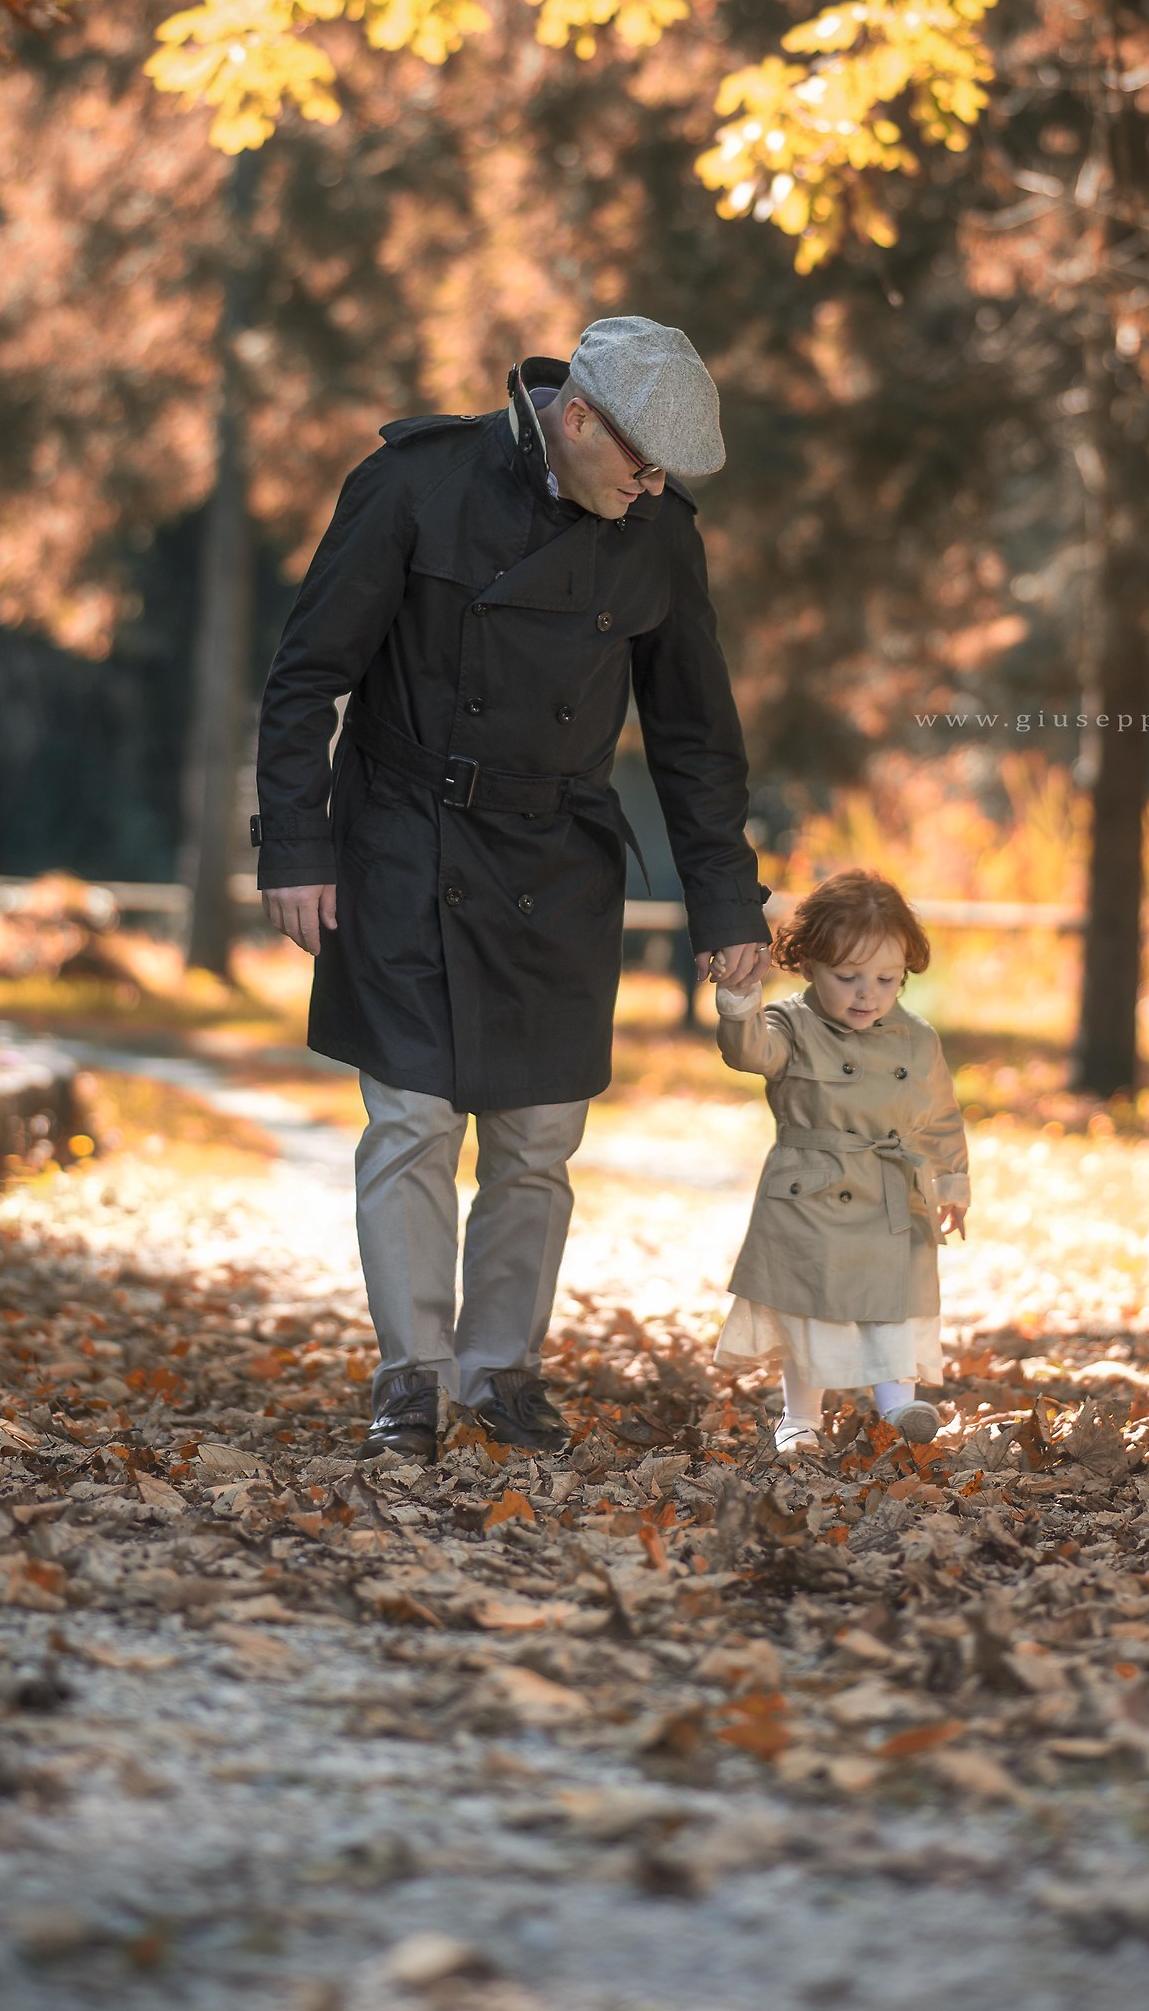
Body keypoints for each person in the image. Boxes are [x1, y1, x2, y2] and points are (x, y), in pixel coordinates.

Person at [252, 317, 771, 1464]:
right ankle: (410, 1375)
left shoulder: (659, 539)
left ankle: (500, 1372)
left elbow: (695, 740)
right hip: (404, 842)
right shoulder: (414, 486)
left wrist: (727, 908)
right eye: (640, 465)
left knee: (536, 1139)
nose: (649, 490)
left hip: (556, 858)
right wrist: (294, 841)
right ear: (577, 417)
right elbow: (306, 678)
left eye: (664, 476)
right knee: (411, 1124)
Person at [710, 868, 971, 1457]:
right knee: (814, 1310)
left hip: (890, 1190)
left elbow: (939, 1115)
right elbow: (747, 1050)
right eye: (848, 977)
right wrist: (737, 999)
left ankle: (898, 1406)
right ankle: (799, 1420)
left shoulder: (916, 1037)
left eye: (886, 978)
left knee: (894, 1301)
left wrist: (951, 1180)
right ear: (808, 964)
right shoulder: (790, 1026)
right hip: (814, 1191)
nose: (867, 994)